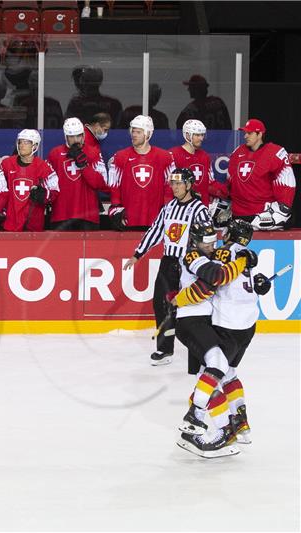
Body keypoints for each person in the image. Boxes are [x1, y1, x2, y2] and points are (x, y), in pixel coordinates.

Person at [175, 219, 269, 443]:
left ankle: (211, 423)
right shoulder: (242, 254)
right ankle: (238, 424)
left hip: (225, 322)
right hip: (244, 324)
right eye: (207, 241)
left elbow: (219, 278)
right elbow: (227, 279)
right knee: (227, 373)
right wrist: (258, 278)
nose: (212, 245)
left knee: (210, 375)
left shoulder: (223, 252)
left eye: (214, 239)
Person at [122, 168, 211, 365]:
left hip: (189, 265)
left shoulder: (199, 209)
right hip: (168, 263)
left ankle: (201, 351)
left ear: (189, 185)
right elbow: (155, 231)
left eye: (179, 183)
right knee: (162, 305)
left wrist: (206, 262)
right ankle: (165, 349)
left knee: (192, 307)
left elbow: (207, 237)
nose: (175, 187)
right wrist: (138, 254)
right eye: (173, 183)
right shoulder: (169, 207)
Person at [218, 118, 295, 231]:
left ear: (260, 134)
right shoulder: (237, 152)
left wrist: (283, 209)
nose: (245, 136)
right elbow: (230, 183)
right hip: (238, 216)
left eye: (249, 133)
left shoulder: (276, 153)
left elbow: (286, 185)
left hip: (262, 216)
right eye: (245, 133)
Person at [107, 115, 176, 231]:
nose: (134, 135)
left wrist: (167, 210)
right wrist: (116, 208)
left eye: (138, 132)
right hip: (128, 220)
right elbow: (114, 187)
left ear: (148, 134)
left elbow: (170, 186)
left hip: (156, 220)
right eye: (133, 131)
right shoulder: (120, 157)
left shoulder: (165, 157)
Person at [48, 118, 108, 231]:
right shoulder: (55, 154)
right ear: (66, 137)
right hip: (61, 215)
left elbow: (102, 184)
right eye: (72, 137)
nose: (76, 140)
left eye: (79, 135)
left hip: (87, 216)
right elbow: (48, 184)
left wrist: (84, 167)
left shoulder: (94, 152)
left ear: (83, 135)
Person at [2, 129, 58, 232]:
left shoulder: (43, 167)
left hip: (33, 223)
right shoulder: (6, 164)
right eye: (20, 142)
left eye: (26, 142)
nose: (21, 145)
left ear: (35, 146)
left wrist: (45, 195)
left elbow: (55, 191)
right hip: (10, 222)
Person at [168, 120, 221, 206]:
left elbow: (210, 182)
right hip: (181, 208)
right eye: (197, 135)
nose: (201, 138)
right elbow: (170, 180)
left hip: (202, 208)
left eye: (202, 135)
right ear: (188, 135)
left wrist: (227, 192)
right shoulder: (173, 154)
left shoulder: (205, 156)